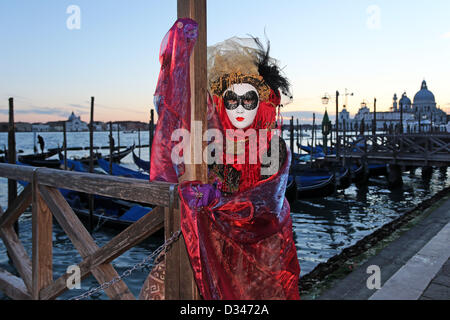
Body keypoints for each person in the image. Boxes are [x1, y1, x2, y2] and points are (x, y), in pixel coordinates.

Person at [141, 19, 300, 300]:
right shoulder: (212, 141)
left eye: (248, 100)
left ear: (261, 101)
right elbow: (175, 113)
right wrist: (180, 55)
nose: (239, 108)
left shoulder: (273, 146)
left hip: (261, 253)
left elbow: (267, 204)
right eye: (231, 100)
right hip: (211, 247)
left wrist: (218, 201)